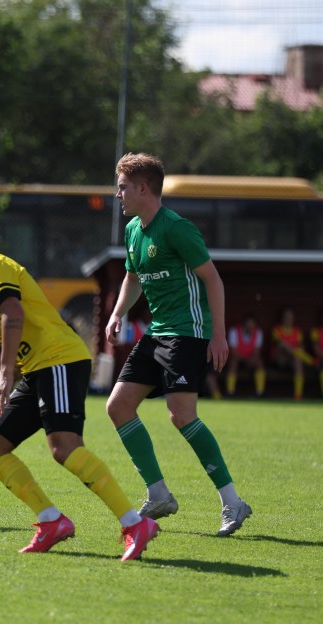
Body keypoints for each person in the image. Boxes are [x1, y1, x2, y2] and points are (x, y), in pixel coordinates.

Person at [0, 213, 158, 560]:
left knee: (65, 447)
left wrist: (4, 373)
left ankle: (134, 524)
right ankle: (51, 521)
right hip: (39, 369)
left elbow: (13, 314)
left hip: (59, 361)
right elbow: (18, 339)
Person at [104, 152, 252, 537]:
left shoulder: (177, 228)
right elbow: (132, 277)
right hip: (157, 333)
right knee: (118, 406)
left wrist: (218, 336)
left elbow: (213, 280)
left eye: (122, 187)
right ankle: (158, 494)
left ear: (143, 188)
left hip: (187, 332)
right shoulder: (133, 230)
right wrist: (118, 313)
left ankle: (233, 502)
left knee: (181, 415)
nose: (117, 195)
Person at [270, 307, 311, 400]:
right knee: (283, 345)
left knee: (298, 361)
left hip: (292, 360)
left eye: (290, 317)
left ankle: (298, 396)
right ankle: (309, 360)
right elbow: (279, 344)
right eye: (286, 317)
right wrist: (294, 351)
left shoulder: (297, 331)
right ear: (282, 318)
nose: (288, 319)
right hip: (279, 360)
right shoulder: (276, 330)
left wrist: (298, 351)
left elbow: (301, 347)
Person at [225, 313, 266, 397]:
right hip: (237, 359)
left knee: (259, 363)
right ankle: (230, 392)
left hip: (250, 359)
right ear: (243, 324)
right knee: (233, 363)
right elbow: (234, 353)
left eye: (252, 326)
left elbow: (257, 352)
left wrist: (252, 359)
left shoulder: (258, 332)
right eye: (248, 326)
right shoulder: (234, 331)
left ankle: (260, 392)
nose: (250, 328)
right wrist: (246, 359)